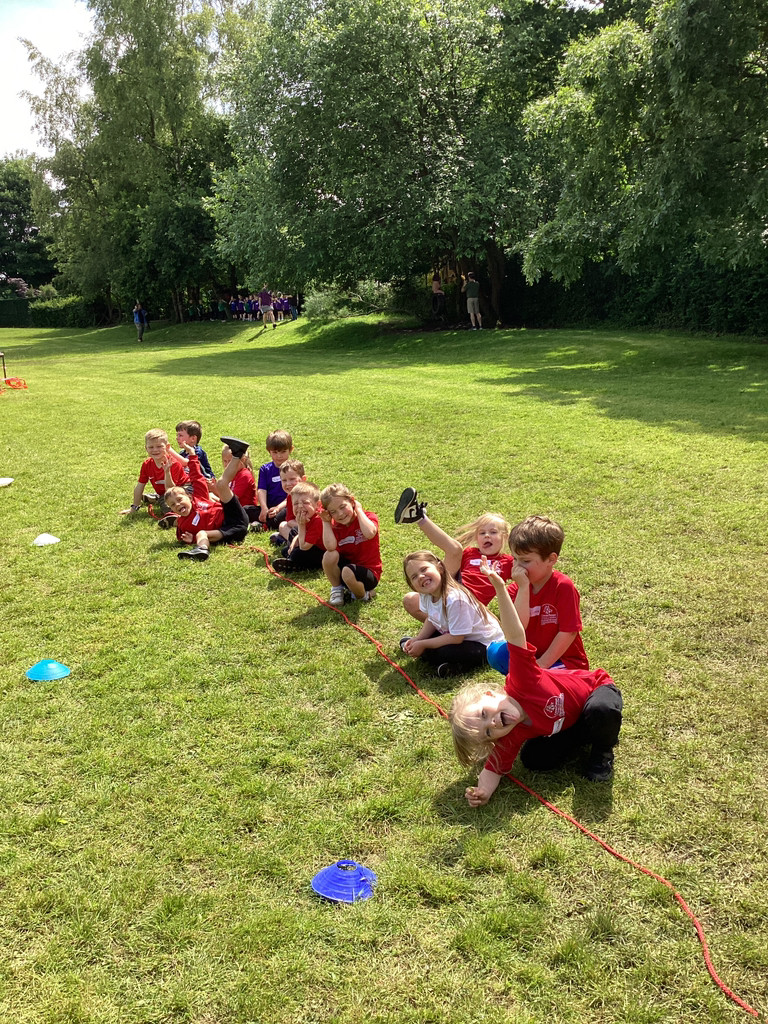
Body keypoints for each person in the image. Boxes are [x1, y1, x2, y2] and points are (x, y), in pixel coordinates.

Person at [449, 559, 622, 806]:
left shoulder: (522, 679)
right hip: (569, 722)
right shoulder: (511, 732)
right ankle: (586, 734)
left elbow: (514, 635)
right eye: (488, 732)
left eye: (485, 714)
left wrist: (500, 589)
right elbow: (493, 769)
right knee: (534, 760)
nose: (494, 723)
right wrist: (483, 791)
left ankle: (602, 749)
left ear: (491, 695)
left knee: (601, 710)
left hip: (594, 689)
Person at [487, 515, 589, 674]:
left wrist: (543, 663)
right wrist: (523, 589)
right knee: (496, 653)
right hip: (531, 654)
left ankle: (533, 677)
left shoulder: (562, 586)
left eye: (525, 561)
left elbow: (568, 632)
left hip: (563, 661)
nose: (518, 567)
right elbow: (517, 629)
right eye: (515, 559)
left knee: (546, 675)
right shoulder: (516, 589)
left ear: (551, 559)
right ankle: (529, 676)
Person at [395, 487, 515, 615]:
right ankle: (418, 517)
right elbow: (448, 570)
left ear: (504, 536)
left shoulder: (508, 561)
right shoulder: (469, 553)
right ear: (476, 537)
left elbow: (524, 581)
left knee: (455, 549)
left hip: (470, 605)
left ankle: (417, 516)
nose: (487, 536)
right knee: (410, 600)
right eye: (482, 533)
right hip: (452, 591)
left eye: (493, 532)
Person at [400, 551, 504, 678]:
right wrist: (418, 639)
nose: (421, 576)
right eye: (414, 577)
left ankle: (458, 667)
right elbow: (432, 619)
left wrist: (423, 644)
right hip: (458, 635)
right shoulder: (426, 595)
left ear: (440, 568)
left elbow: (456, 638)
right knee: (433, 642)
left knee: (445, 651)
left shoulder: (455, 599)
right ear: (412, 585)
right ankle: (421, 650)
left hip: (484, 645)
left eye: (424, 569)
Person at [163, 438, 250, 561]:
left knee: (221, 484)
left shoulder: (199, 496)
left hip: (234, 516)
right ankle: (202, 550)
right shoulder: (183, 524)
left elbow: (196, 477)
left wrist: (192, 454)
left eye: (179, 499)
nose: (177, 504)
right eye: (172, 505)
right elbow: (188, 537)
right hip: (229, 530)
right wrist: (192, 539)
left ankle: (238, 453)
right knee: (201, 533)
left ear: (189, 497)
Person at [320, 483, 381, 605]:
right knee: (329, 555)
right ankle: (337, 589)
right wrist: (326, 522)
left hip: (368, 572)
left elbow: (370, 533)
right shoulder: (335, 526)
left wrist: (358, 510)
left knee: (347, 572)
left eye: (343, 507)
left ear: (352, 501)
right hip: (345, 571)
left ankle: (363, 595)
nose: (340, 514)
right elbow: (330, 547)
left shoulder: (367, 517)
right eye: (333, 512)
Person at [120, 429, 188, 518]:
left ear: (167, 447)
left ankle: (156, 499)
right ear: (146, 448)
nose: (155, 450)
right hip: (165, 493)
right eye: (151, 447)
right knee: (166, 504)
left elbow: (171, 489)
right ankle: (157, 497)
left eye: (159, 446)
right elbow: (140, 486)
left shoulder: (173, 464)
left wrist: (167, 471)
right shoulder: (147, 464)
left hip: (183, 489)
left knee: (173, 506)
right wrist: (134, 508)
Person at [271, 480, 326, 573]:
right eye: (296, 504)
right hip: (311, 543)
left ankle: (295, 563)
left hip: (323, 551)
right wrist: (295, 540)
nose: (300, 506)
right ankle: (291, 556)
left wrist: (301, 524)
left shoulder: (318, 520)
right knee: (291, 538)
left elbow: (304, 547)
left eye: (306, 502)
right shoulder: (310, 515)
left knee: (297, 554)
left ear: (318, 505)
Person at [257, 430, 293, 528]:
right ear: (269, 451)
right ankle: (264, 519)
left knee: (284, 514)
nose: (279, 456)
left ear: (290, 450)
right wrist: (264, 508)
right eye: (275, 452)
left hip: (285, 506)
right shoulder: (265, 469)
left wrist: (278, 508)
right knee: (246, 510)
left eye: (283, 451)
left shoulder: (293, 469)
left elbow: (293, 495)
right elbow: (261, 490)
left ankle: (265, 526)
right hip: (269, 507)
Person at [271, 458, 307, 550]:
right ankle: (292, 543)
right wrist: (299, 525)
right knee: (283, 525)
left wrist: (304, 526)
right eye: (284, 480)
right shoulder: (290, 497)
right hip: (299, 527)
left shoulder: (310, 496)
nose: (288, 484)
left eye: (292, 479)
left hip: (313, 529)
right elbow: (290, 520)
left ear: (303, 479)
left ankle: (285, 542)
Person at [221, 442, 256, 507]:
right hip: (233, 508)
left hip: (244, 511)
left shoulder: (244, 475)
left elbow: (231, 501)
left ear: (242, 460)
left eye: (230, 461)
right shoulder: (231, 474)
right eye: (225, 461)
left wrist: (215, 489)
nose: (227, 465)